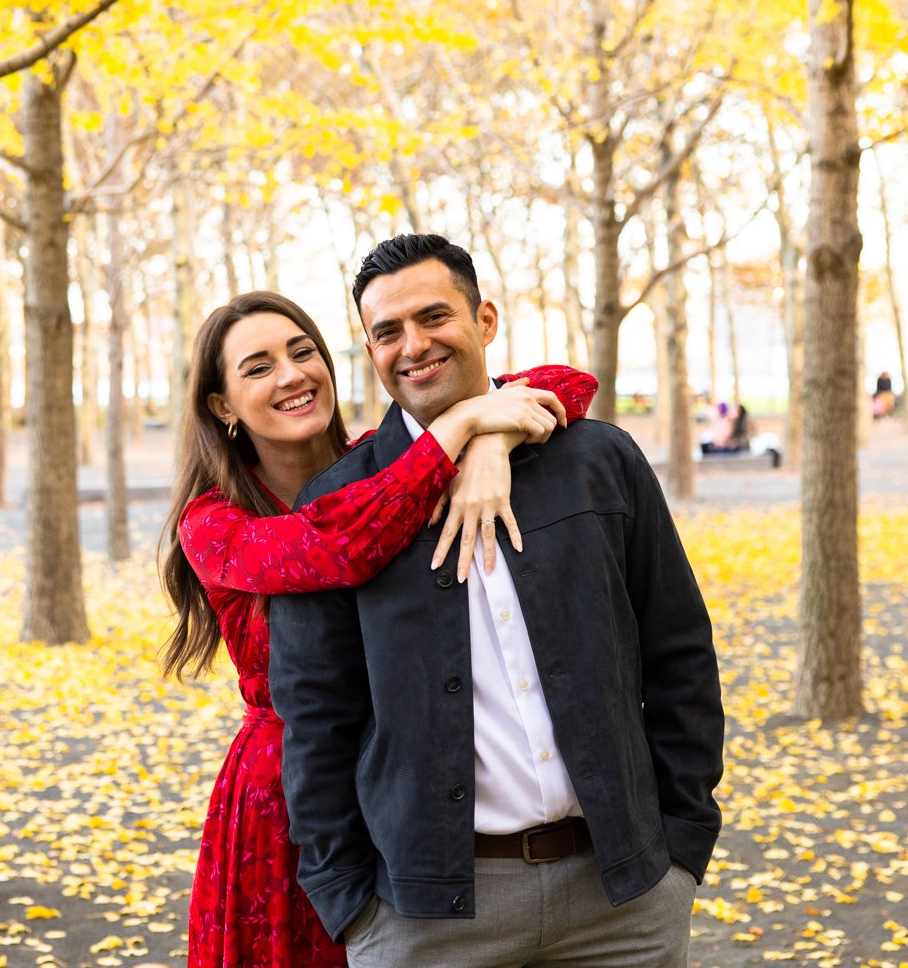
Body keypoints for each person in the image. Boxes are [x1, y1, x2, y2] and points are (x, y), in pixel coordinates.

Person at [270, 234, 724, 968]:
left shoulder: (599, 462)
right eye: (387, 331)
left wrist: (680, 845)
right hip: (426, 919)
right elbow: (315, 718)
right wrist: (353, 906)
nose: (412, 345)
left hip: (623, 900)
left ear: (484, 319)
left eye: (433, 317)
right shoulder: (339, 508)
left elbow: (678, 653)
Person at [163, 290, 598, 968]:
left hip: (415, 774)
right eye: (258, 366)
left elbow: (570, 383)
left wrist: (494, 437)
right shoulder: (214, 523)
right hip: (290, 800)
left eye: (302, 351)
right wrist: (456, 433)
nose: (291, 374)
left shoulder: (383, 459)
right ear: (220, 404)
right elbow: (334, 545)